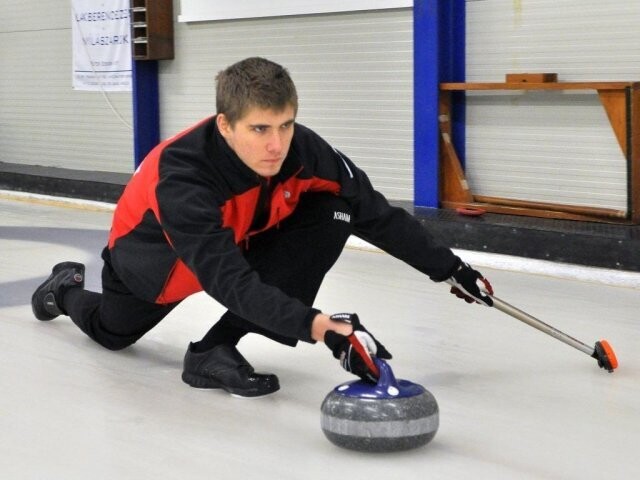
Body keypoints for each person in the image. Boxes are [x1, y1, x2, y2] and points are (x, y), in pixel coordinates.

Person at [31, 57, 493, 398]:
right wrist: (320, 327)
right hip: (157, 268)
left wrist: (451, 268)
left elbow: (374, 211)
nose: (277, 145)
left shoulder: (304, 149)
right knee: (113, 333)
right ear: (226, 126)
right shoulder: (183, 177)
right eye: (260, 130)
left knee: (335, 210)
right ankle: (64, 288)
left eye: (286, 125)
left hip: (242, 239)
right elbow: (227, 279)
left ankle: (213, 350)